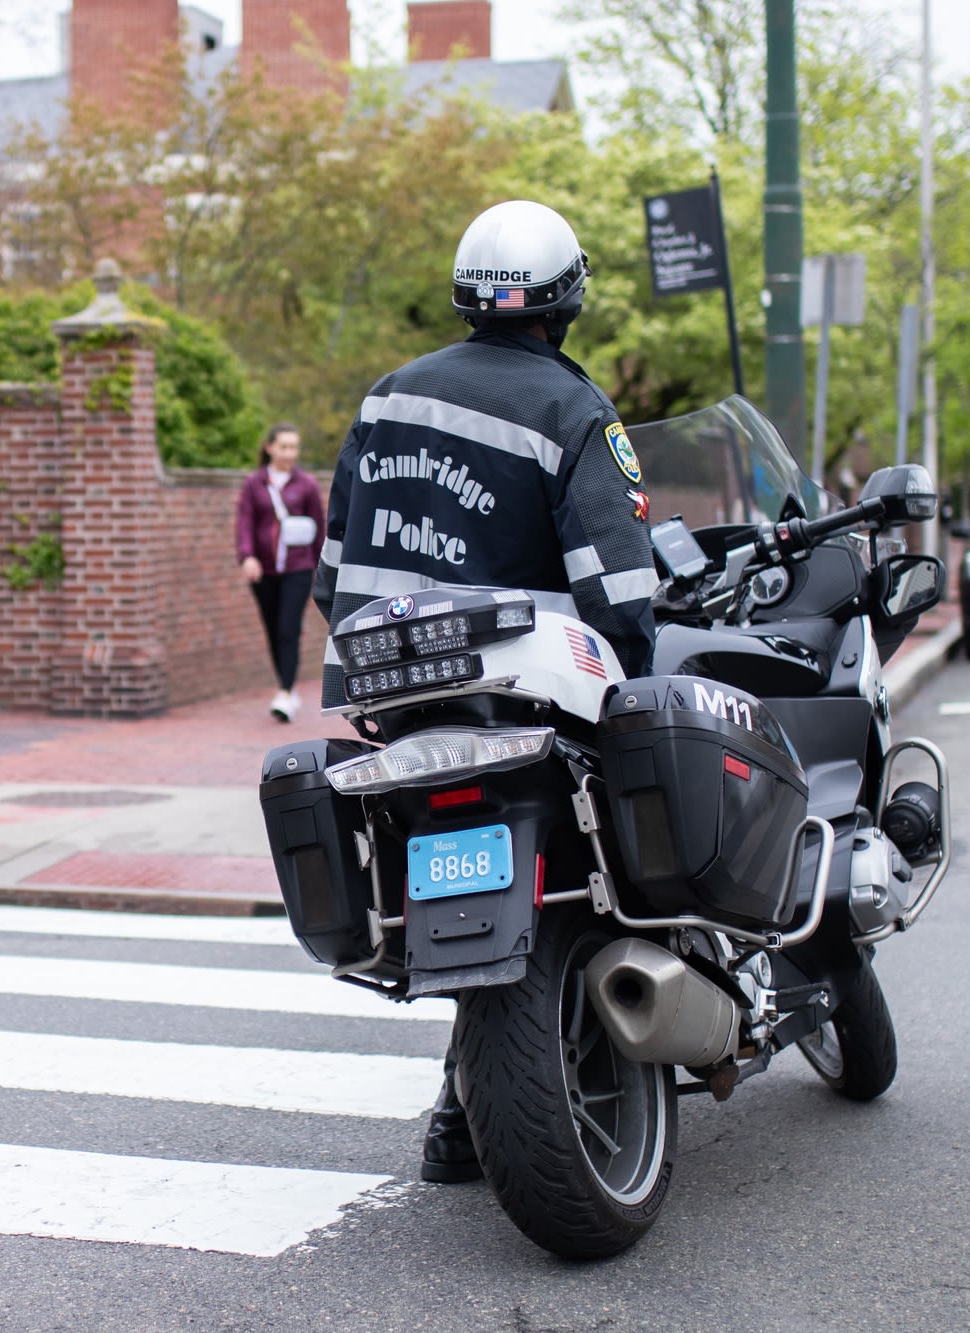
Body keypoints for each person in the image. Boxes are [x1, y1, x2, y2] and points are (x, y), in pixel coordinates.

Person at [312, 199, 658, 1185]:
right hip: (523, 698)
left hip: (397, 700)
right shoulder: (571, 409)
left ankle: (460, 1109)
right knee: (600, 874)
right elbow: (622, 590)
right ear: (567, 301)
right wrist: (629, 670)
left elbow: (334, 575)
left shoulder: (386, 399)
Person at [236, 422, 325, 722]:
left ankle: (286, 692)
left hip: (298, 569)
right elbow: (245, 522)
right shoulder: (254, 484)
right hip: (264, 571)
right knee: (273, 629)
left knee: (288, 628)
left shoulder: (307, 485)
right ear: (269, 447)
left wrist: (320, 567)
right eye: (284, 446)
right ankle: (286, 686)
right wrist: (247, 556)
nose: (290, 453)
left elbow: (319, 528)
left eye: (294, 447)